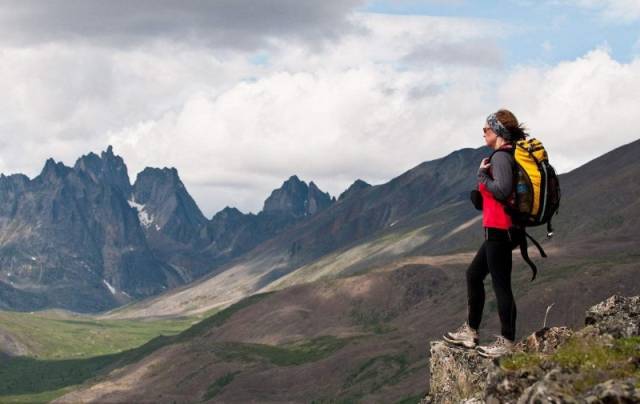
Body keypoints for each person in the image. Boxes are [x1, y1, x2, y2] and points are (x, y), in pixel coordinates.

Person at [442, 109, 528, 358]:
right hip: (500, 229)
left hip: (501, 230)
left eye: (487, 129)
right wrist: (481, 194)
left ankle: (507, 341)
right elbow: (500, 194)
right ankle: (471, 330)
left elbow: (501, 190)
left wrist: (481, 176)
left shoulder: (501, 157)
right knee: (474, 275)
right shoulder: (506, 156)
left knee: (501, 285)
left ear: (498, 132)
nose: (483, 132)